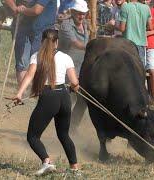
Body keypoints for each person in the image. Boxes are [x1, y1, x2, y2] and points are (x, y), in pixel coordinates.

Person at [10, 29, 80, 176]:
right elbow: (74, 82)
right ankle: (75, 168)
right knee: (64, 135)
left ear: (42, 41)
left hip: (49, 97)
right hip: (64, 97)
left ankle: (47, 162)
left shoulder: (37, 56)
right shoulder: (66, 57)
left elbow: (29, 76)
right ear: (57, 42)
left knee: (33, 136)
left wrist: (19, 94)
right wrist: (74, 88)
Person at [5, 0, 57, 88]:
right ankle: (22, 94)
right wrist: (15, 8)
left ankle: (37, 92)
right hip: (24, 28)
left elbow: (37, 10)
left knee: (40, 62)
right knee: (22, 63)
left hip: (43, 32)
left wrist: (22, 10)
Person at [58, 0, 89, 133]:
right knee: (67, 99)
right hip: (67, 66)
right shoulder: (66, 25)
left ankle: (72, 126)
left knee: (82, 100)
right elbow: (74, 43)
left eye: (83, 14)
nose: (81, 16)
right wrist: (92, 47)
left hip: (83, 65)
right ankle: (62, 126)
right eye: (78, 13)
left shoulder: (86, 25)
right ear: (73, 12)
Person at [118, 0, 151, 67]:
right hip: (141, 43)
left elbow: (122, 28)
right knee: (140, 69)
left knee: (126, 68)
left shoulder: (125, 7)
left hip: (128, 43)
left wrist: (112, 27)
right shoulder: (147, 8)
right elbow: (150, 27)